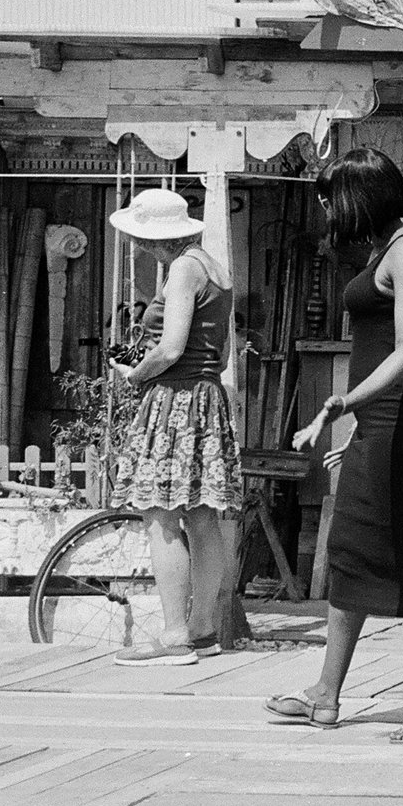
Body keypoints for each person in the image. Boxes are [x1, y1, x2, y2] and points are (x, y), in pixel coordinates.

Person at [269, 148, 403, 742]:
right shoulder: (380, 253)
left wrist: (345, 405)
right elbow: (376, 350)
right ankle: (326, 693)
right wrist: (358, 425)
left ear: (359, 199)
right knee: (349, 548)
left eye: (332, 198)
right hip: (380, 424)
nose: (326, 209)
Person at [107, 187, 242, 667]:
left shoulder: (182, 269)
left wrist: (133, 373)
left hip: (174, 401)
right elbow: (222, 352)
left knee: (161, 515)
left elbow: (168, 349)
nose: (139, 247)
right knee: (203, 518)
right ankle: (204, 630)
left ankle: (175, 635)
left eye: (142, 239)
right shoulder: (215, 267)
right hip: (206, 397)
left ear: (158, 238)